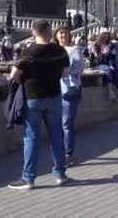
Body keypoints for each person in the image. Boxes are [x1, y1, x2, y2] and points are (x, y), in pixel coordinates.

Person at [8, 20, 70, 189]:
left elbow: (13, 75)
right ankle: (60, 174)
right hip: (54, 96)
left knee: (31, 138)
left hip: (32, 98)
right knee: (56, 135)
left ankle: (28, 179)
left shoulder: (27, 52)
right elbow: (65, 72)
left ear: (33, 32)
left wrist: (27, 80)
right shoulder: (59, 51)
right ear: (49, 31)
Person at [53, 26, 85, 166]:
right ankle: (58, 151)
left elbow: (79, 67)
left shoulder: (75, 49)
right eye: (61, 33)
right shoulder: (52, 49)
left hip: (70, 89)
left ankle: (67, 154)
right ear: (56, 36)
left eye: (66, 33)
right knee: (56, 123)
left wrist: (62, 69)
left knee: (66, 123)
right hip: (54, 89)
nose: (63, 35)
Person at [89, 30, 118, 102]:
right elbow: (91, 56)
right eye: (104, 35)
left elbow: (113, 56)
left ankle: (117, 88)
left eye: (107, 35)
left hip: (107, 63)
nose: (106, 37)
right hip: (98, 63)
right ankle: (110, 91)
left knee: (116, 70)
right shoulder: (96, 45)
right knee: (108, 70)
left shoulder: (111, 45)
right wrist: (91, 66)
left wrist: (111, 64)